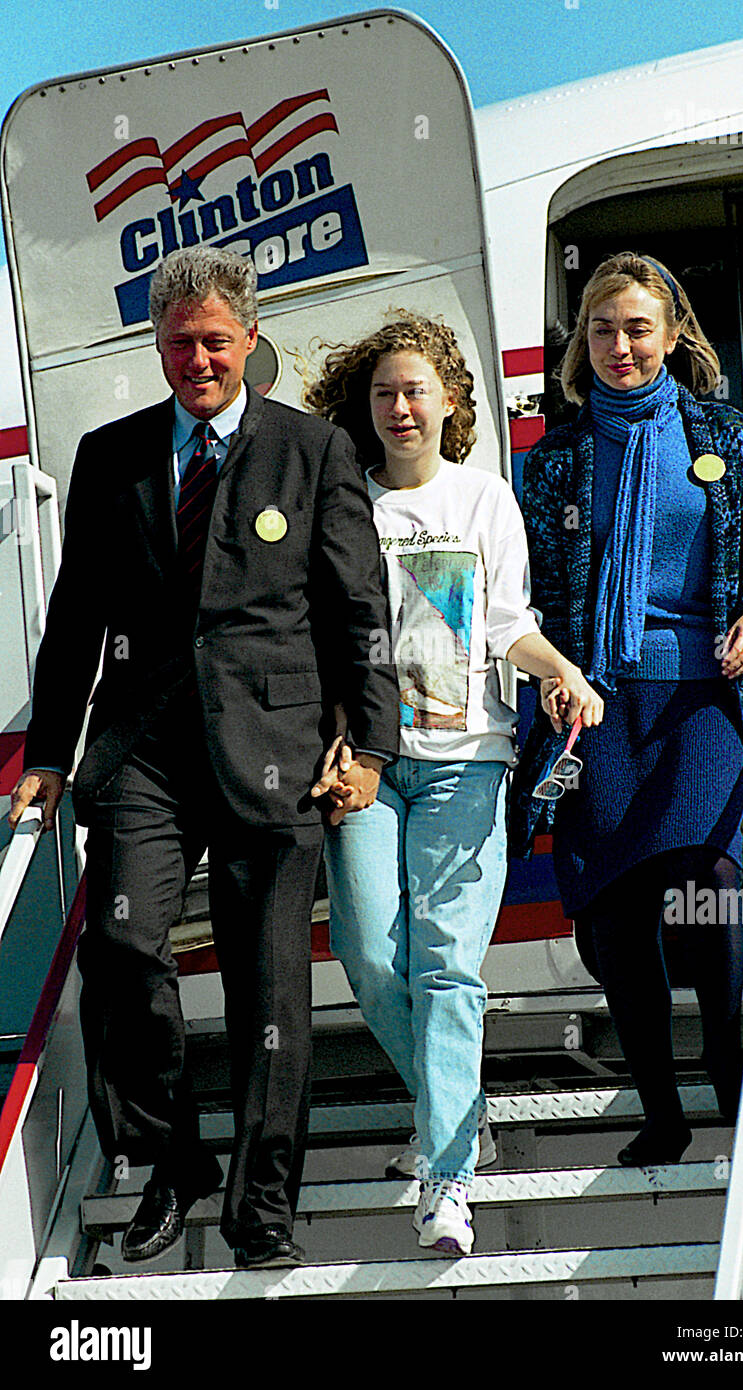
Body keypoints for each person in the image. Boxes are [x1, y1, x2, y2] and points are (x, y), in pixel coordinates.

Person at [7, 246, 399, 1270]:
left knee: (269, 991)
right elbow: (75, 617)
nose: (198, 360)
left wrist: (371, 739)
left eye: (215, 341)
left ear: (249, 339)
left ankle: (260, 1209)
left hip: (276, 752)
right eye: (179, 342)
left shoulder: (311, 452)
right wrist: (51, 750)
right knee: (126, 946)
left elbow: (362, 607)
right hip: (142, 753)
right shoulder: (112, 456)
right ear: (156, 343)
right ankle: (169, 1157)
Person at [305, 312, 603, 1254]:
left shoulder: (485, 501)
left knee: (444, 966)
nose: (399, 407)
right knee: (371, 955)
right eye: (384, 392)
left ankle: (447, 1178)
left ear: (449, 403)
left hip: (467, 756)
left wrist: (558, 670)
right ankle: (455, 1109)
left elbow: (507, 620)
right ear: (367, 404)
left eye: (416, 390)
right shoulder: (341, 500)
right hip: (365, 764)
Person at [511, 252, 743, 1166]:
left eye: (637, 329)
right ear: (579, 343)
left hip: (699, 694)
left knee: (708, 884)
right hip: (595, 703)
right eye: (602, 330)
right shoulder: (551, 462)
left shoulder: (722, 434)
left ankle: (726, 1059)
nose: (620, 346)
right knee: (615, 915)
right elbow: (536, 600)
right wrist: (553, 676)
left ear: (672, 335)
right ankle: (662, 1110)